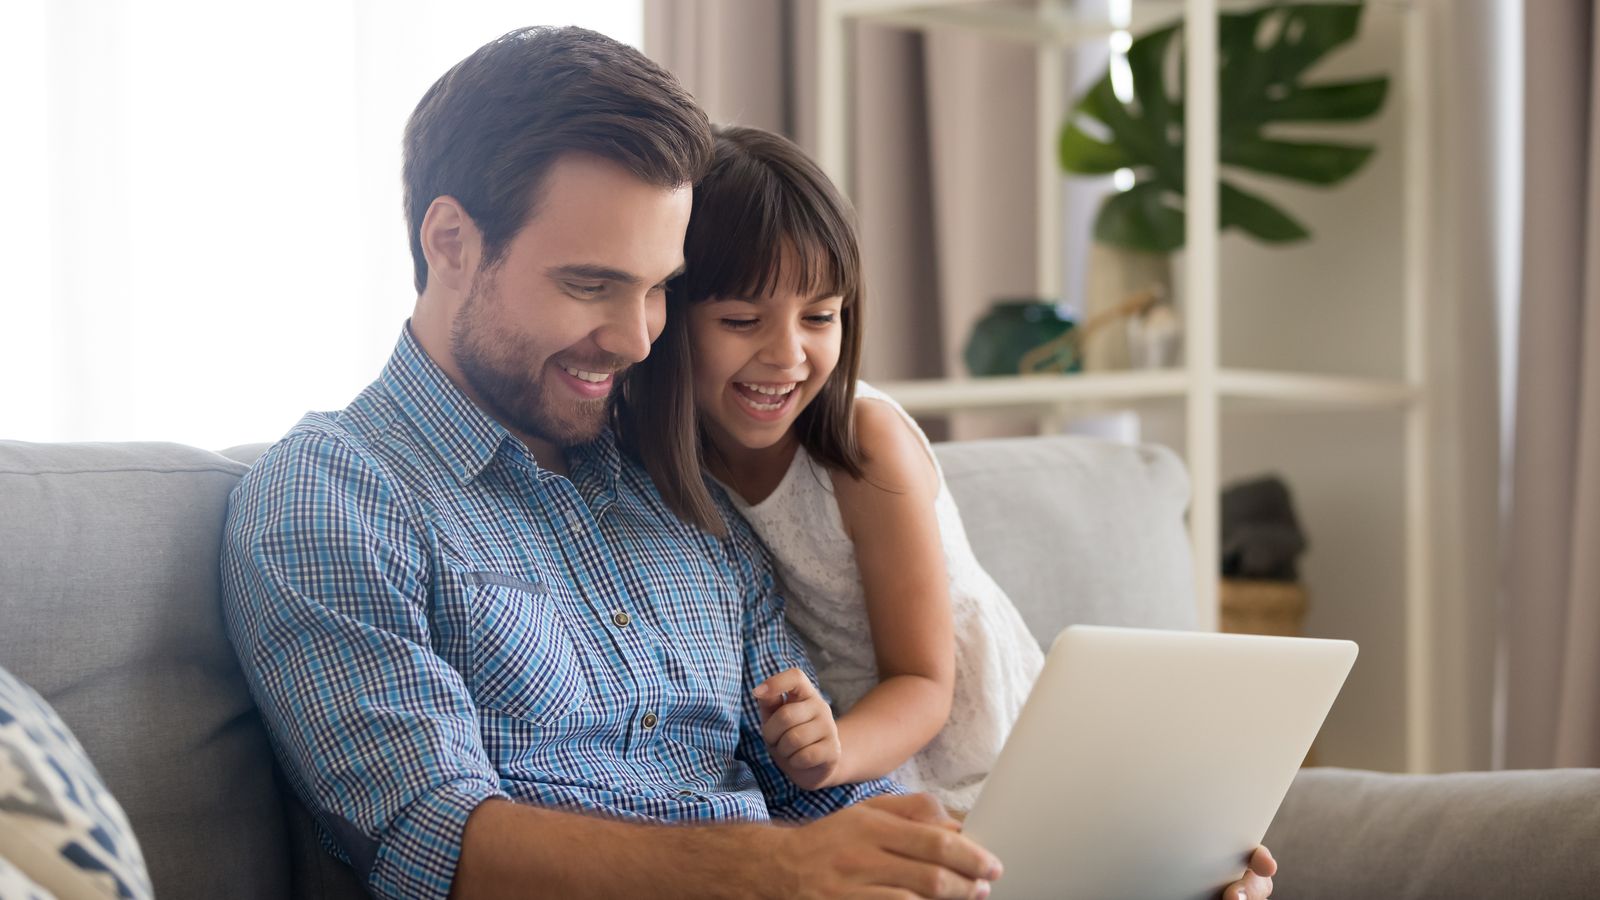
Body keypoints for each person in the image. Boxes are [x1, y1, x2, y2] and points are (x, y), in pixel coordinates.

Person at [219, 24, 1277, 900]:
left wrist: (1081, 872)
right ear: (450, 242)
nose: (638, 339)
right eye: (592, 285)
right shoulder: (335, 496)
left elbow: (816, 791)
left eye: (658, 290)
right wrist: (770, 869)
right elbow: (432, 837)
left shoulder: (673, 481)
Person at [615, 126, 1045, 814]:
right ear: (669, 316)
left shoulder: (865, 446)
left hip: (969, 746)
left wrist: (835, 753)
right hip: (827, 750)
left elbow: (925, 682)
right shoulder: (647, 453)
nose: (788, 356)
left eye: (820, 316)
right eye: (741, 320)